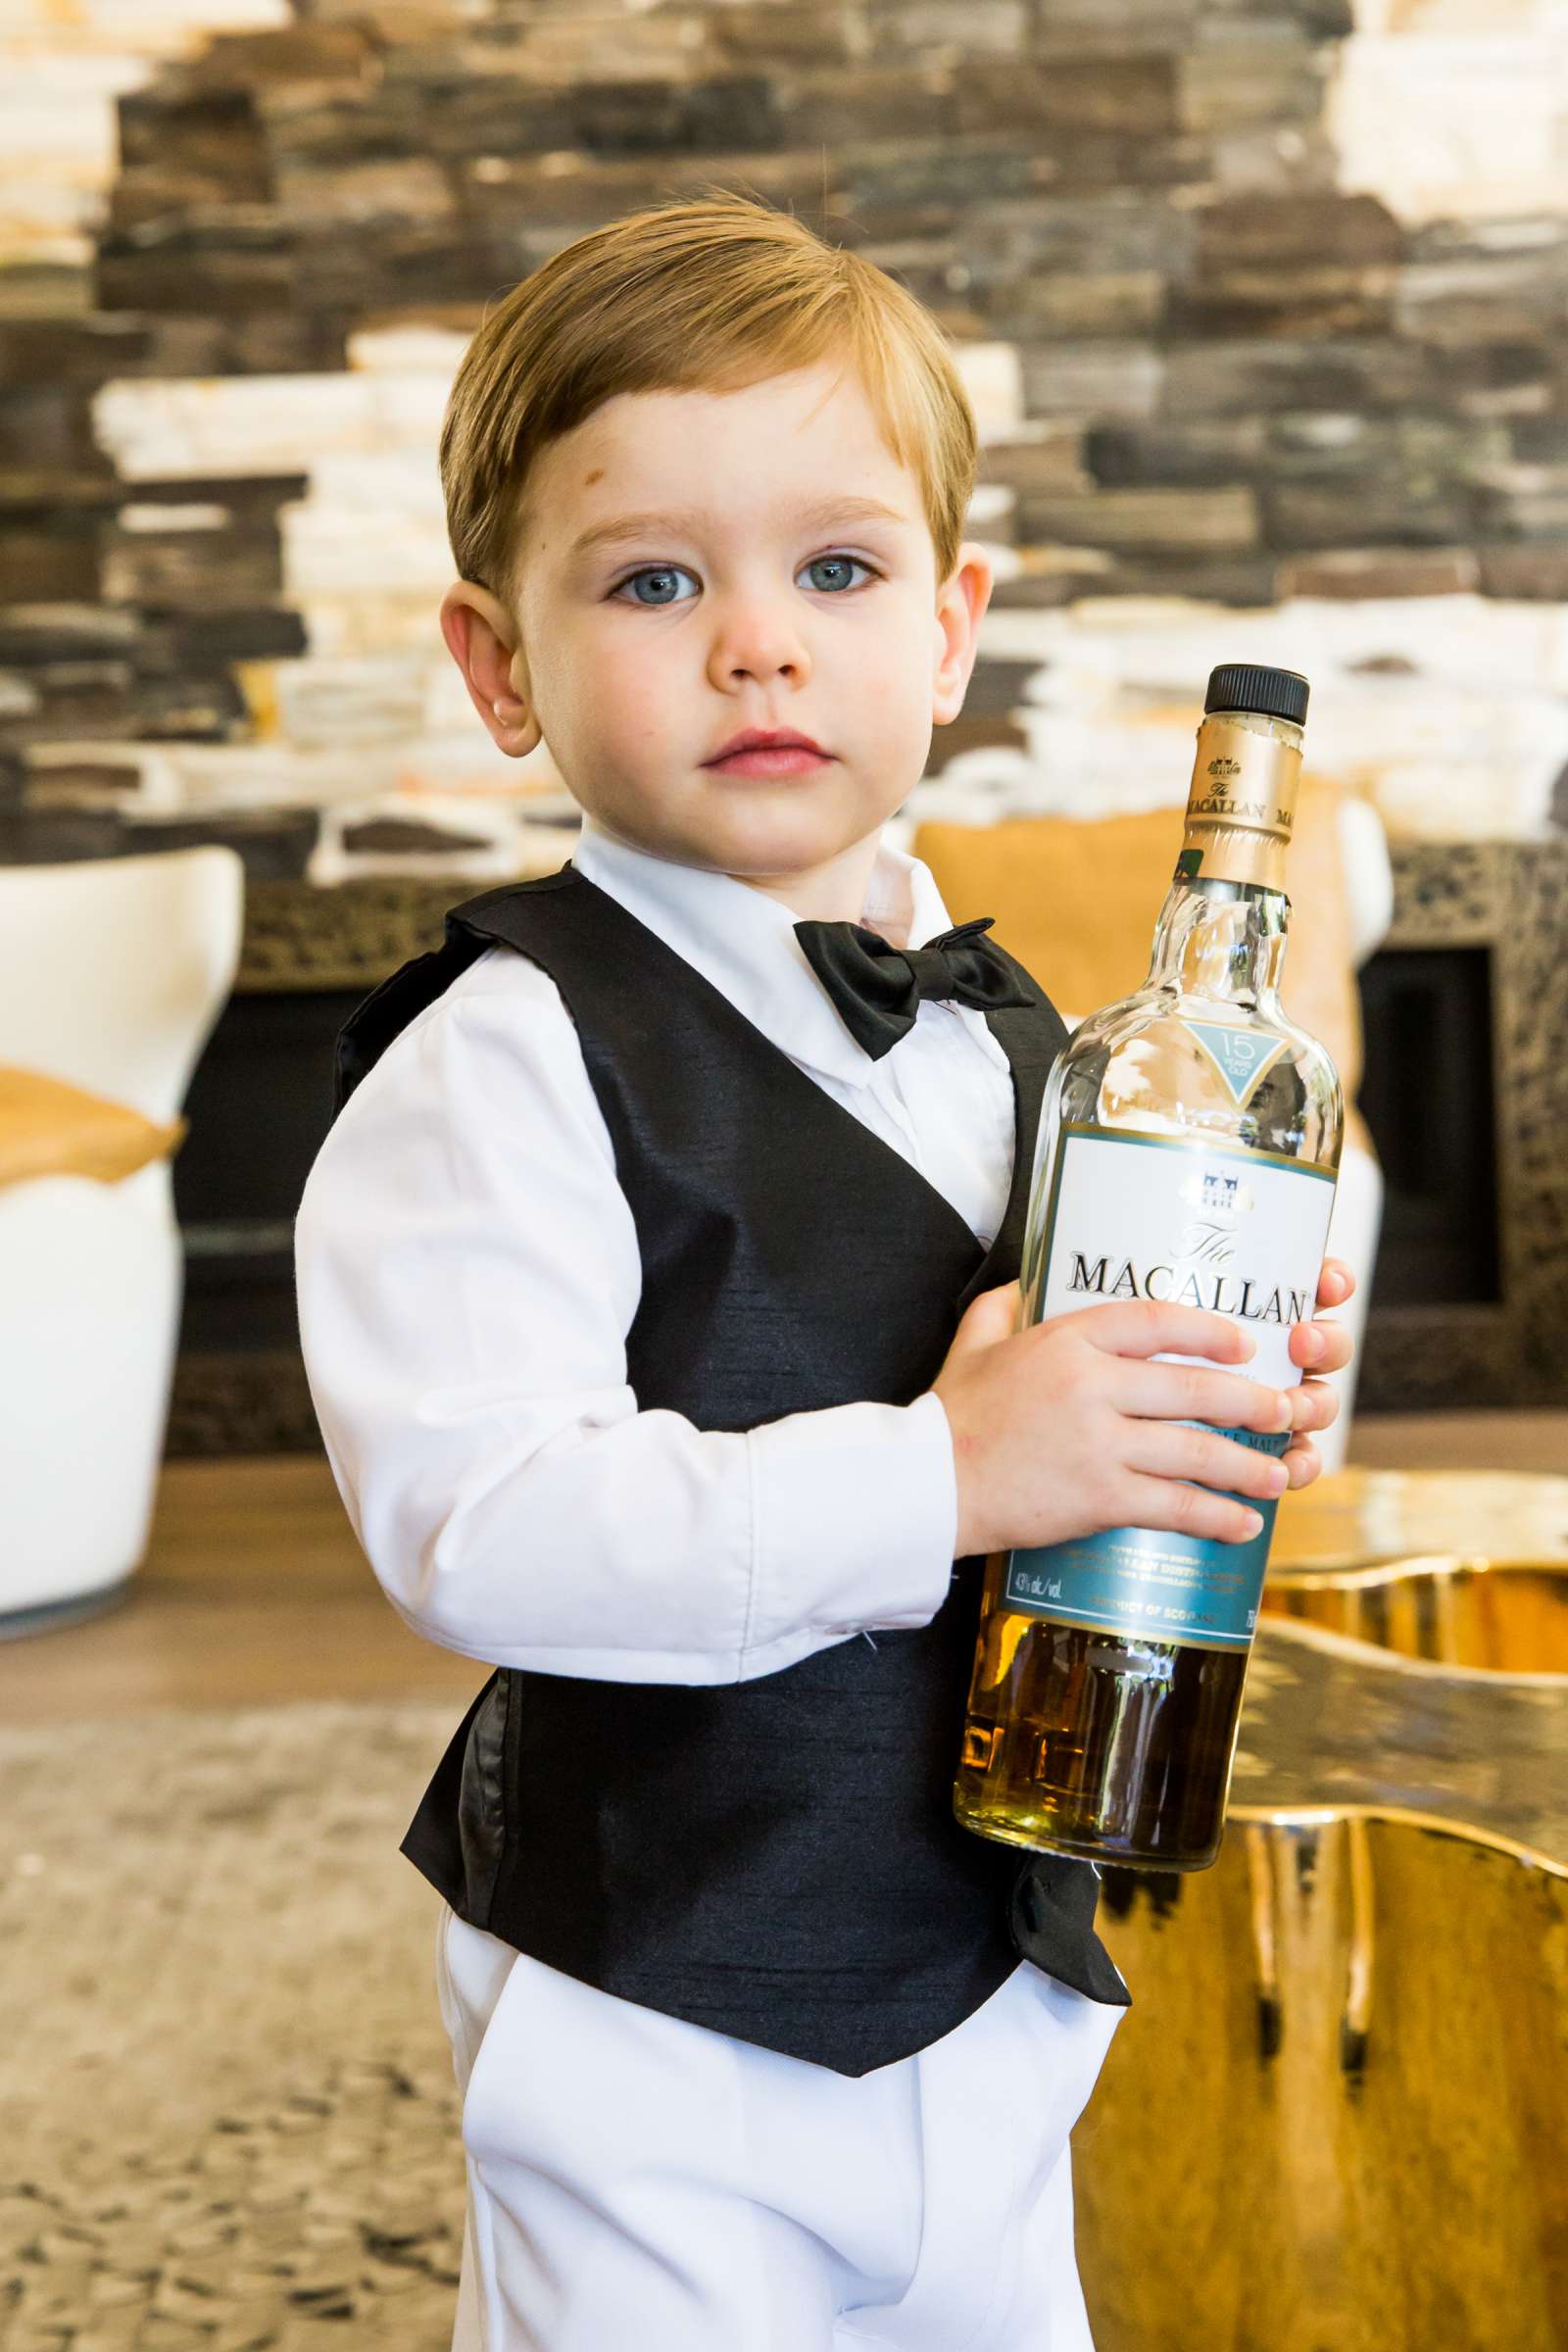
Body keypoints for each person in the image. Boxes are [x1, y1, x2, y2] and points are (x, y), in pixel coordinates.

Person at [293, 187, 1356, 2352]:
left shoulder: (1024, 1046)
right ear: (499, 664)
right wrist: (945, 1478)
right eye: (653, 577)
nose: (755, 639)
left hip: (987, 1984)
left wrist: (1214, 1412)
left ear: (948, 635)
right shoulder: (496, 1057)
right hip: (658, 2018)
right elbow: (477, 1530)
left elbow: (1090, 1414)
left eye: (836, 569)